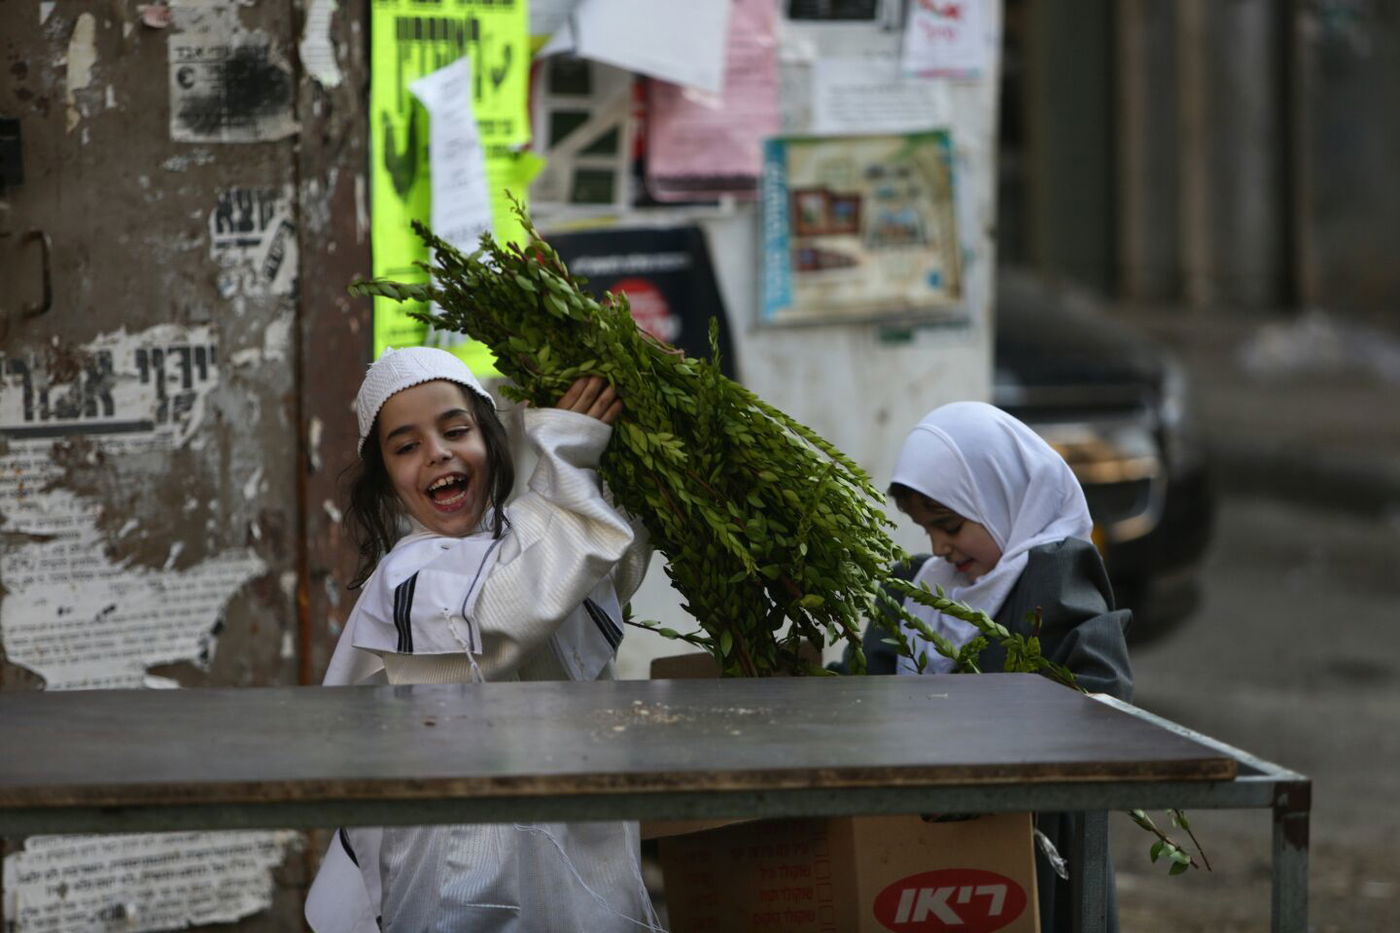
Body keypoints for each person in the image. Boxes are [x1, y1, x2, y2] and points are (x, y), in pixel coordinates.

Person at [304, 346, 660, 933]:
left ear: (491, 441)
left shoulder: (528, 533)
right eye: (407, 446)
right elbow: (508, 612)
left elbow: (605, 559)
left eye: (456, 430)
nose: (437, 453)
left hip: (573, 838)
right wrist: (566, 452)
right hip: (459, 859)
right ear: (387, 480)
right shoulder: (408, 576)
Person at [855, 400, 1133, 932]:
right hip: (918, 836)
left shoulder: (1052, 578)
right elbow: (866, 689)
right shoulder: (914, 587)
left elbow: (1104, 696)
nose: (940, 545)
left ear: (1004, 496)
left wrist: (1000, 742)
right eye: (926, 529)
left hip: (1032, 839)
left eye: (951, 525)